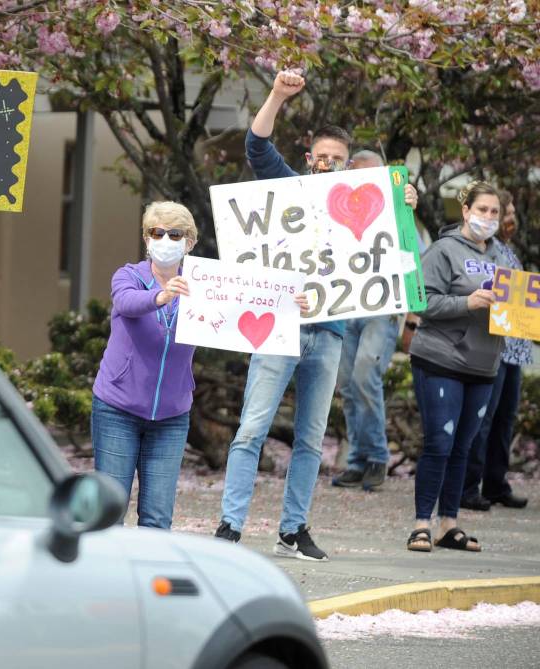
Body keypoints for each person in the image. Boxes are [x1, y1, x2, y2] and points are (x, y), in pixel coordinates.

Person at [215, 71, 418, 561]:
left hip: (328, 334)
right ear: (309, 160)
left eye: (338, 161)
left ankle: (293, 530)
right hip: (278, 328)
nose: (328, 166)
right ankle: (229, 527)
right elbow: (257, 145)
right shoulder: (287, 189)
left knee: (309, 439)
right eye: (322, 158)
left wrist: (405, 205)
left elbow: (399, 255)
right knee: (251, 429)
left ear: (351, 169)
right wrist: (278, 96)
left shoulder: (363, 210)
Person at [405, 180, 504, 553]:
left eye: (494, 212)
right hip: (440, 359)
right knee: (440, 443)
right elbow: (421, 302)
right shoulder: (443, 250)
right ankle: (420, 524)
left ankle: (449, 524)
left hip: (484, 366)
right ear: (465, 211)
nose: (489, 218)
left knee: (463, 446)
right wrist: (468, 304)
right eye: (482, 210)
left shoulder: (503, 258)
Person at [91, 201, 198, 529]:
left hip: (171, 416)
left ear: (189, 242)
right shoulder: (129, 276)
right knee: (110, 511)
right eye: (157, 232)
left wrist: (289, 305)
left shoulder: (204, 284)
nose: (165, 239)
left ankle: (148, 580)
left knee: (157, 517)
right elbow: (126, 302)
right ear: (147, 239)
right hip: (118, 409)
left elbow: (242, 309)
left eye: (175, 233)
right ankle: (108, 578)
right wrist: (160, 297)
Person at [332, 150, 402, 491]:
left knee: (364, 374)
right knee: (346, 383)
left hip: (380, 306)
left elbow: (412, 255)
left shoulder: (397, 209)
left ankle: (377, 456)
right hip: (345, 306)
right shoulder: (335, 208)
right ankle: (358, 460)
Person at [461, 190, 531, 511]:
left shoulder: (509, 250)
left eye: (511, 212)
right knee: (484, 419)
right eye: (506, 213)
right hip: (494, 345)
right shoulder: (485, 251)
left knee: (505, 418)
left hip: (516, 345)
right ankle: (469, 486)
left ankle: (495, 482)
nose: (509, 219)